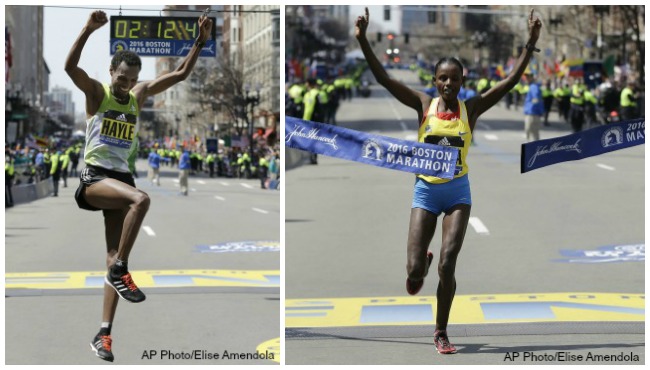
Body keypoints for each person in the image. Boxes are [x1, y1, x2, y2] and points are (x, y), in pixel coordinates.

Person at [355, 7, 541, 355]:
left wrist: (530, 44)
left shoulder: (471, 109)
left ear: (462, 81)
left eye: (454, 79)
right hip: (426, 192)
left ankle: (441, 330)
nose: (448, 84)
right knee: (414, 272)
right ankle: (418, 265)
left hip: (457, 193)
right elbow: (383, 79)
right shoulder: (423, 105)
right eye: (443, 78)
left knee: (448, 262)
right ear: (435, 79)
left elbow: (510, 82)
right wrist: (364, 39)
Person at [65, 10, 212, 362]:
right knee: (141, 200)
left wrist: (200, 42)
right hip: (96, 179)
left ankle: (103, 335)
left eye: (132, 80)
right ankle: (121, 269)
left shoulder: (139, 95)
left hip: (122, 180)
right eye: (122, 78)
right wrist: (87, 30)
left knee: (113, 254)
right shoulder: (98, 94)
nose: (126, 85)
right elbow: (71, 68)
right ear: (112, 72)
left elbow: (179, 73)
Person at [523, 73, 544, 142]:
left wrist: (531, 109)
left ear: (532, 78)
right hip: (532, 113)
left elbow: (536, 99)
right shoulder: (532, 86)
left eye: (528, 77)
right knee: (531, 133)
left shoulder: (533, 87)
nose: (526, 79)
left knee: (532, 134)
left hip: (532, 114)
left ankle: (532, 150)